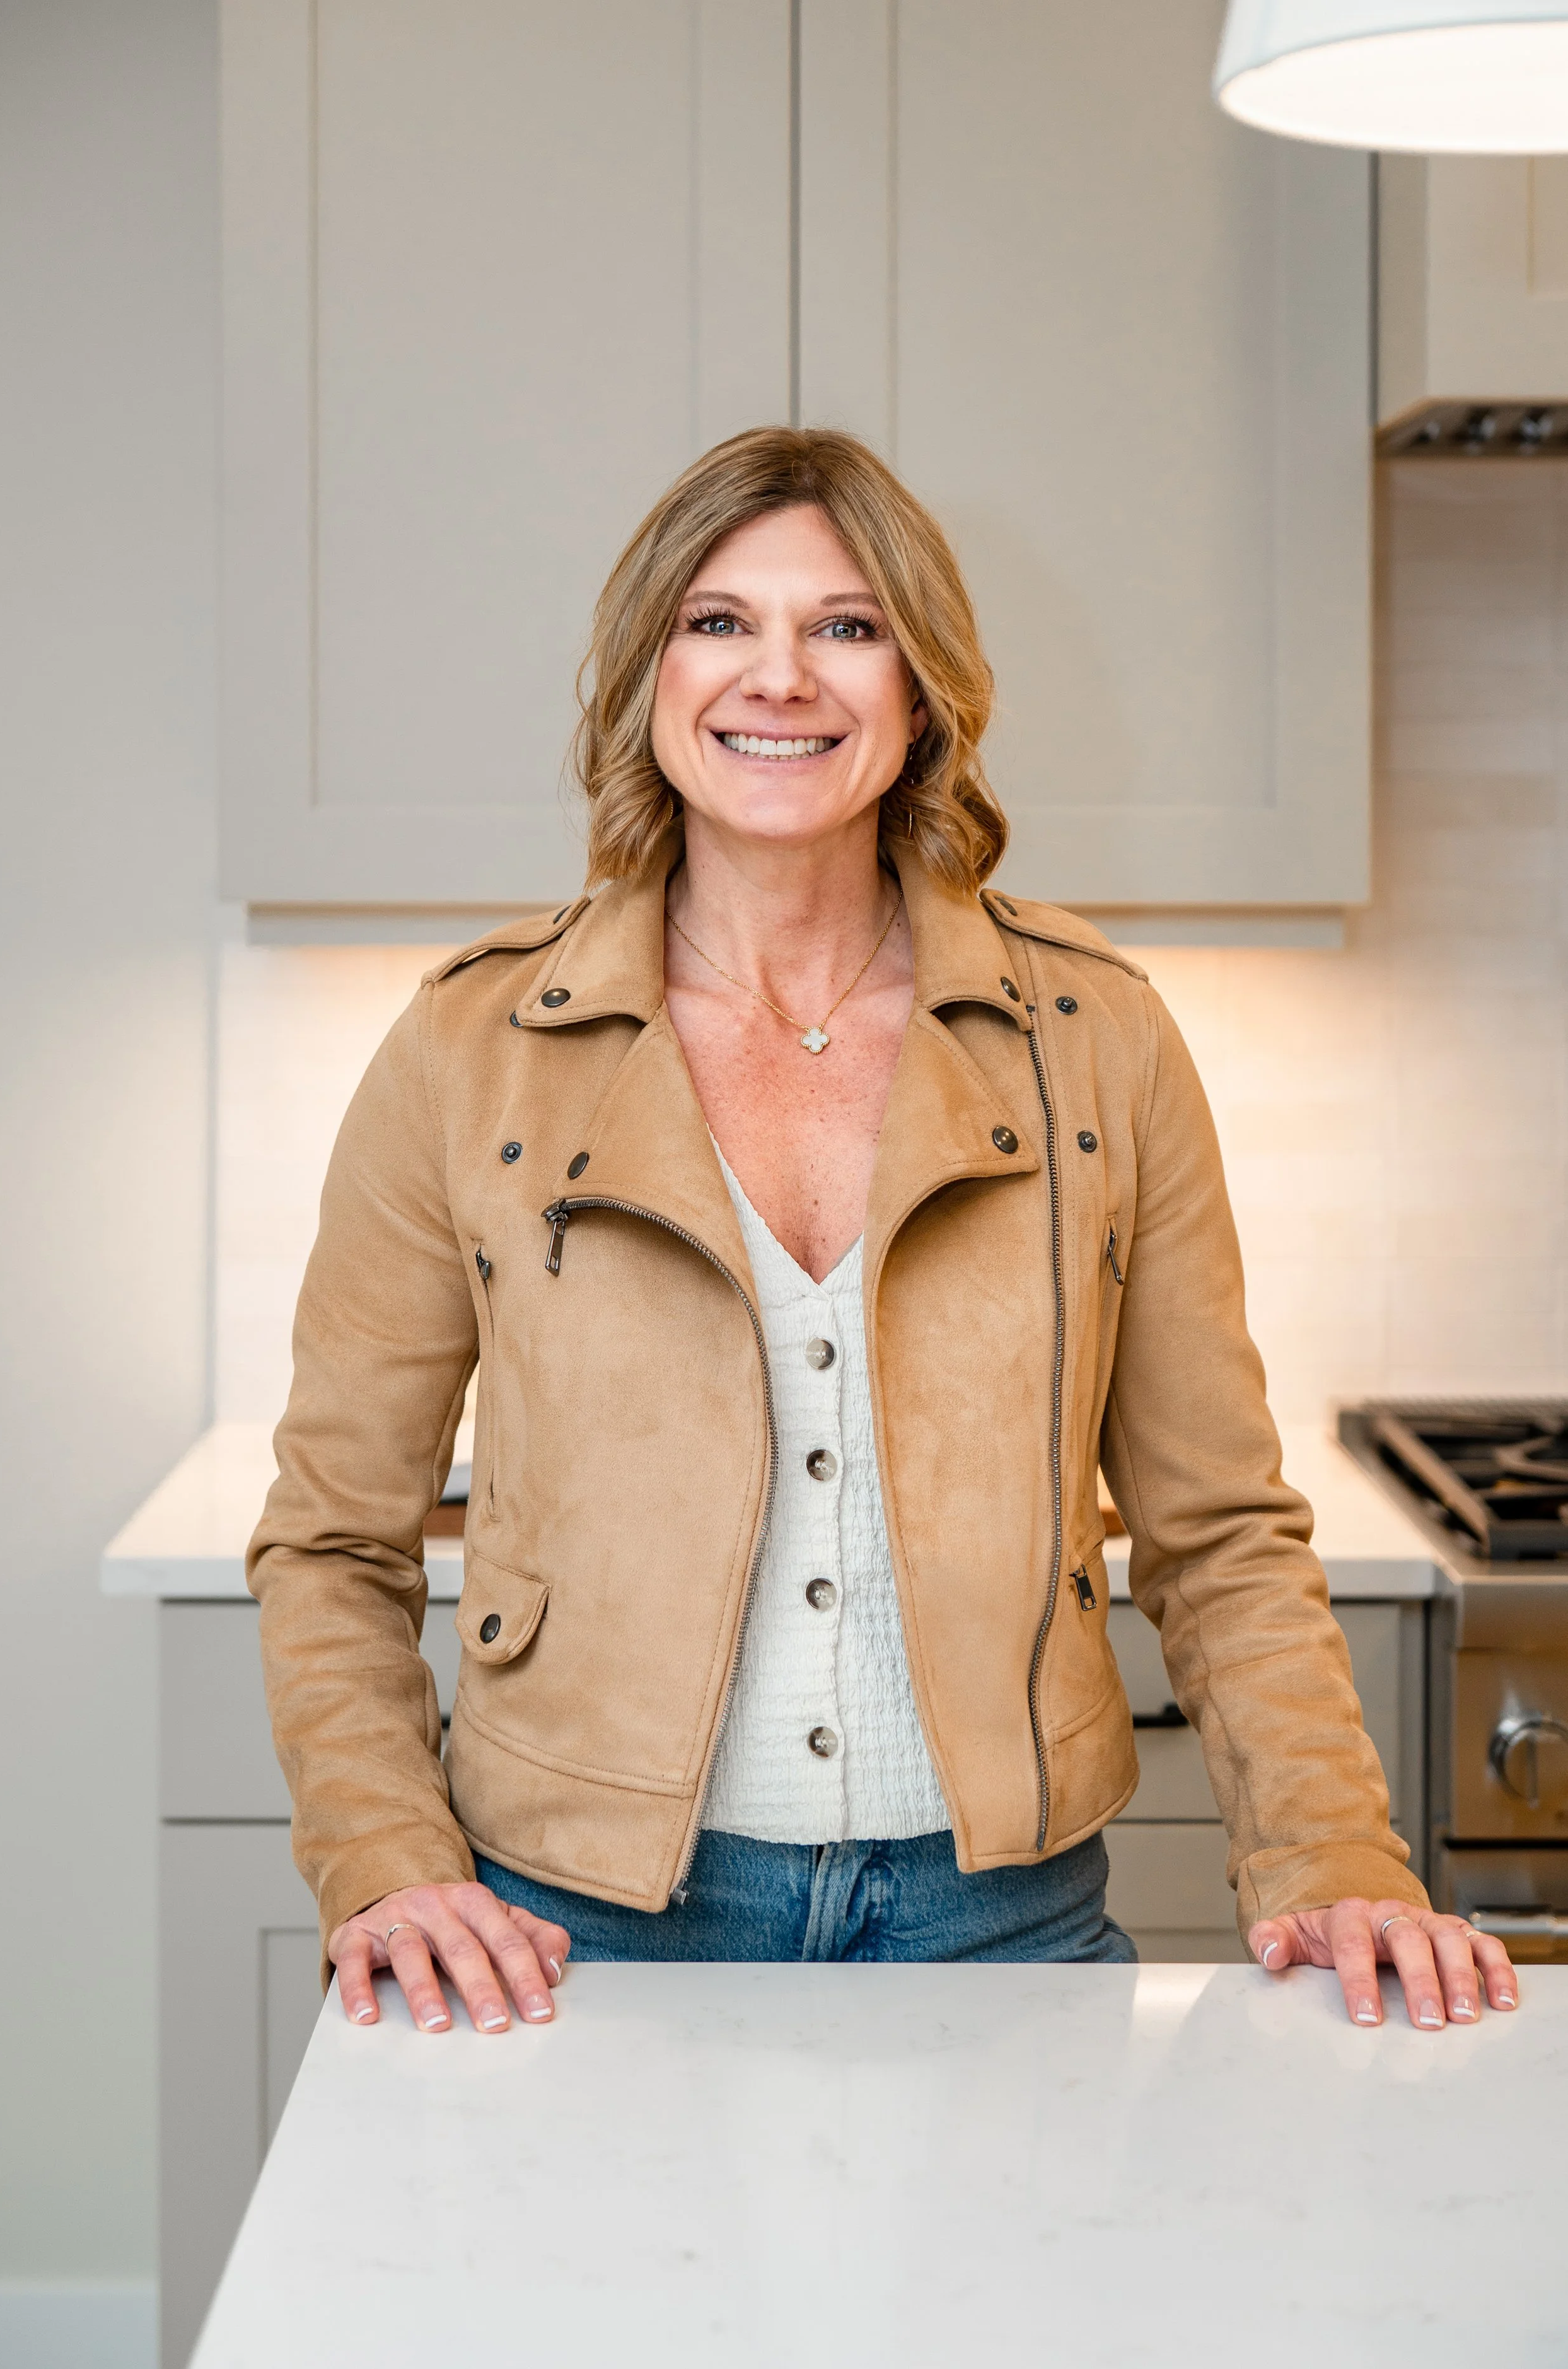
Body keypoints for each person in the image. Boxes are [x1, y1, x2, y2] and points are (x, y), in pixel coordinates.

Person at [249, 426, 1517, 2038]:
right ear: (648, 676)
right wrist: (380, 1856)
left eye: (845, 628)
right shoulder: (471, 1048)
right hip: (573, 1932)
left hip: (1000, 1925)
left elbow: (1218, 1534)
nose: (779, 676)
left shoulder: (1095, 1040)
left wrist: (1333, 1850)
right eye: (720, 622)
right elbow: (331, 1540)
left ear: (919, 692)